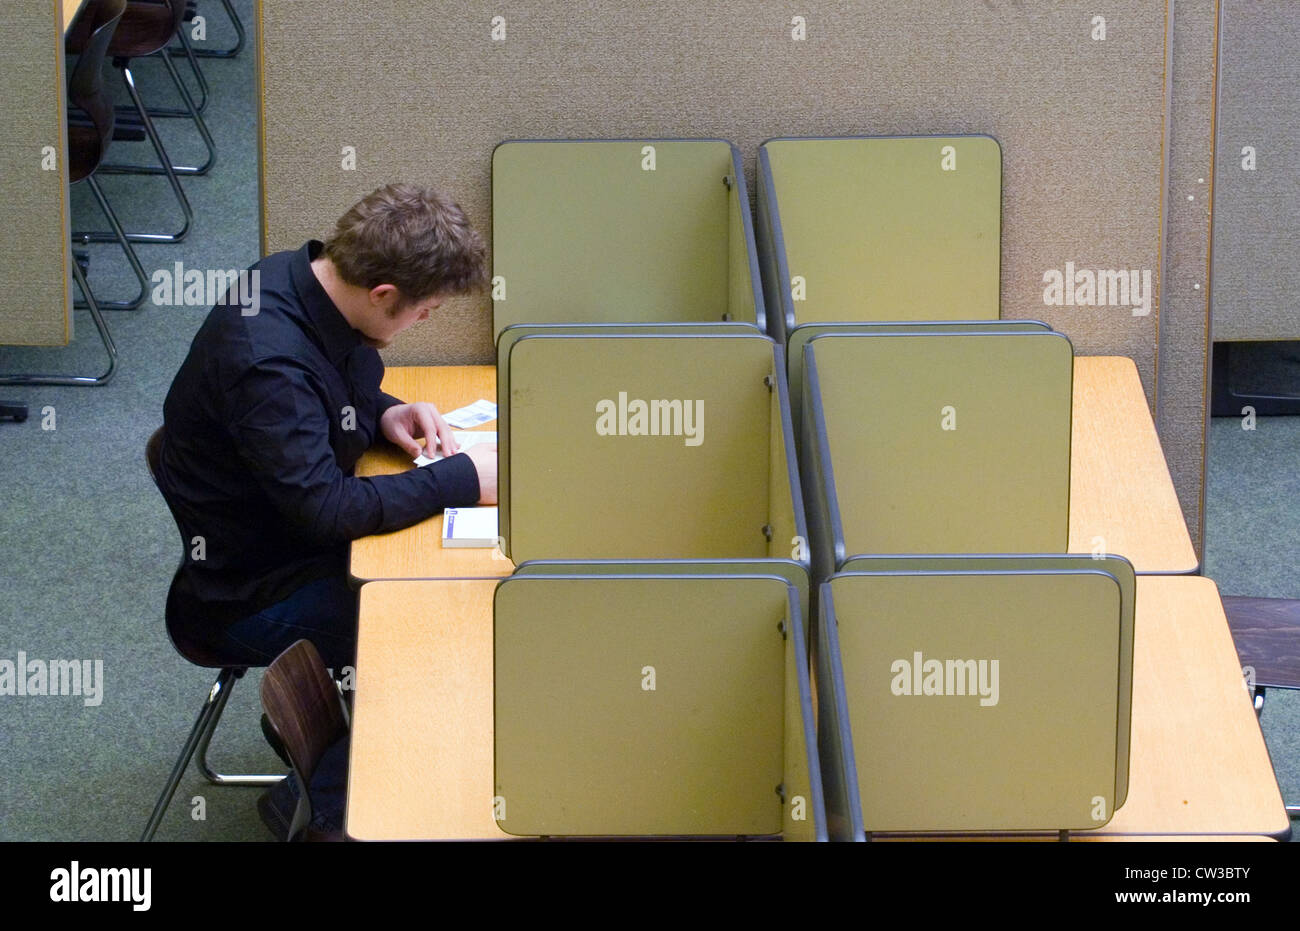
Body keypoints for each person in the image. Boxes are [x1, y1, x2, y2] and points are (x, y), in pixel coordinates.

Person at [155, 183, 496, 670]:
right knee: (462, 621)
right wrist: (462, 478)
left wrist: (381, 412)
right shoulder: (269, 369)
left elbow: (321, 389)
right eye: (425, 311)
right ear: (383, 295)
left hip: (293, 542)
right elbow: (327, 509)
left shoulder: (300, 277)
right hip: (255, 596)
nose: (423, 320)